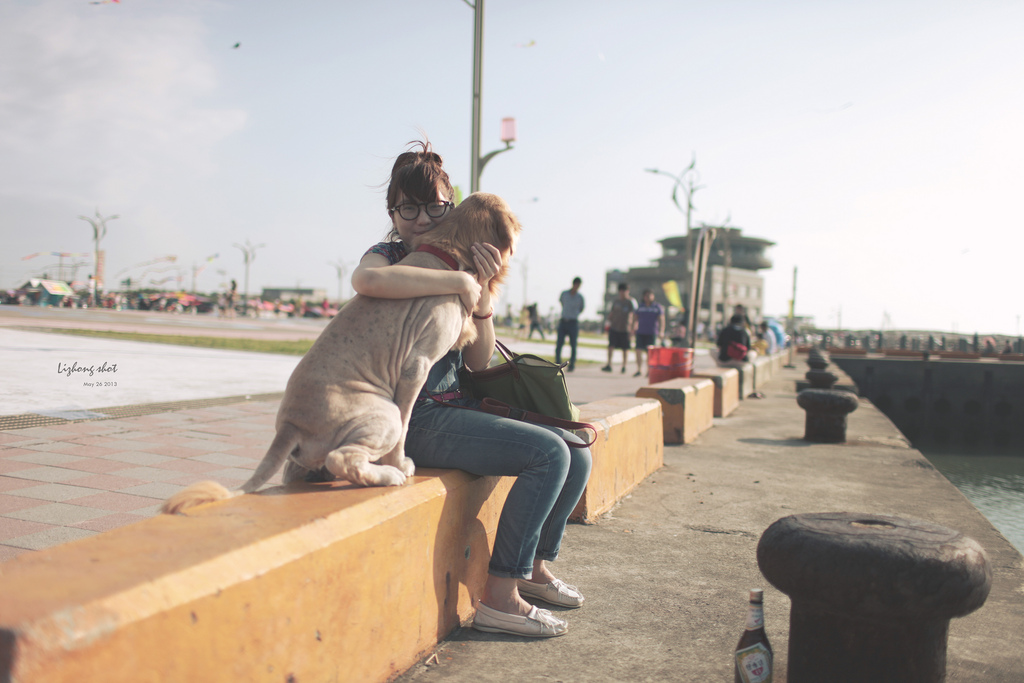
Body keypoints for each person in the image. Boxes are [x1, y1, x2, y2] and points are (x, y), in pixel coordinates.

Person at [350, 140, 592, 638]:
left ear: (452, 204)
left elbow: (479, 361)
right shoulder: (389, 255)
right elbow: (366, 281)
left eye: (435, 206)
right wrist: (455, 280)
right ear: (392, 212)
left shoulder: (462, 261)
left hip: (455, 407)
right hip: (411, 420)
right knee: (549, 454)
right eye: (408, 208)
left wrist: (480, 293)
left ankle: (535, 571)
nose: (420, 219)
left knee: (577, 452)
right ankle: (500, 598)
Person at [602, 282, 636, 373]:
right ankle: (609, 364)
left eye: (624, 291)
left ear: (627, 291)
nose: (622, 293)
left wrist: (633, 329)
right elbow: (611, 314)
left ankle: (624, 365)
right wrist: (607, 324)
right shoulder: (616, 302)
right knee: (611, 346)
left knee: (625, 348)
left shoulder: (631, 302)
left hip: (625, 328)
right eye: (621, 291)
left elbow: (635, 316)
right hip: (614, 327)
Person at [633, 289, 665, 377]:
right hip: (641, 332)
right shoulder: (640, 306)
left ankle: (649, 370)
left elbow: (662, 319)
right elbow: (635, 318)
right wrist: (633, 328)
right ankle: (639, 369)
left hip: (652, 332)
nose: (648, 297)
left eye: (649, 295)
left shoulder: (657, 307)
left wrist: (661, 331)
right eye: (646, 295)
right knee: (638, 350)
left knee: (650, 353)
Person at [555, 277, 585, 371]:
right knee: (559, 343)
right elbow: (562, 303)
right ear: (573, 284)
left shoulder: (580, 297)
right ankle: (557, 363)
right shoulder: (564, 294)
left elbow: (581, 308)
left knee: (573, 344)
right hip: (564, 321)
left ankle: (572, 364)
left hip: (573, 322)